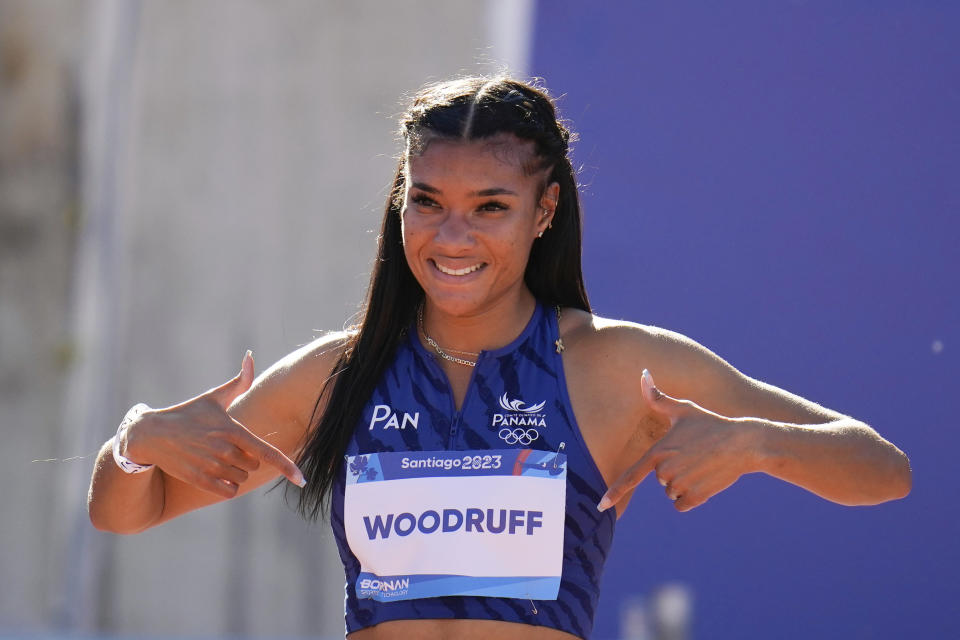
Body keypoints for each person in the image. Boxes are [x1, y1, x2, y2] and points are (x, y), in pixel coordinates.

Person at [87, 76, 912, 640]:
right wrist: (135, 443)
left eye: (490, 207)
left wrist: (759, 444)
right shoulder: (341, 373)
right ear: (400, 198)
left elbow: (883, 468)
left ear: (545, 209)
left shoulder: (618, 366)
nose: (452, 237)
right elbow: (128, 509)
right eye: (428, 202)